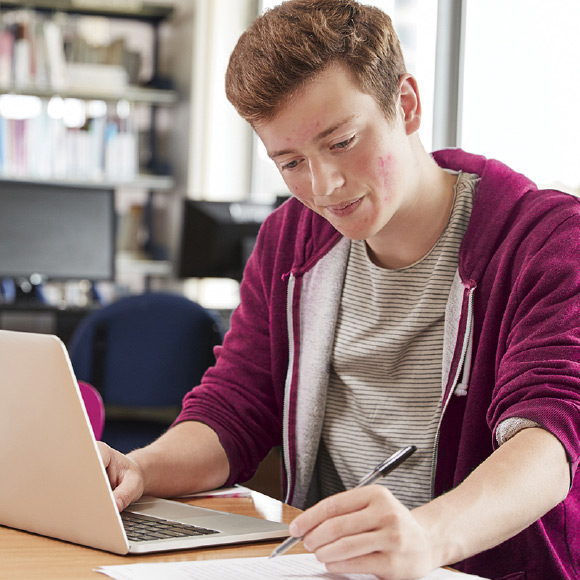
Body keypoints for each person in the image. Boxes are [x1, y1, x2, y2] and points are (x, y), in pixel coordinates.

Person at [99, 1, 580, 578]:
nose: (322, 186)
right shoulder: (289, 240)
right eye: (290, 162)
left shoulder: (545, 239)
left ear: (405, 105)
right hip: (320, 566)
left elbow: (551, 438)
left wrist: (428, 538)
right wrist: (140, 469)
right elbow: (236, 405)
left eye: (342, 141)